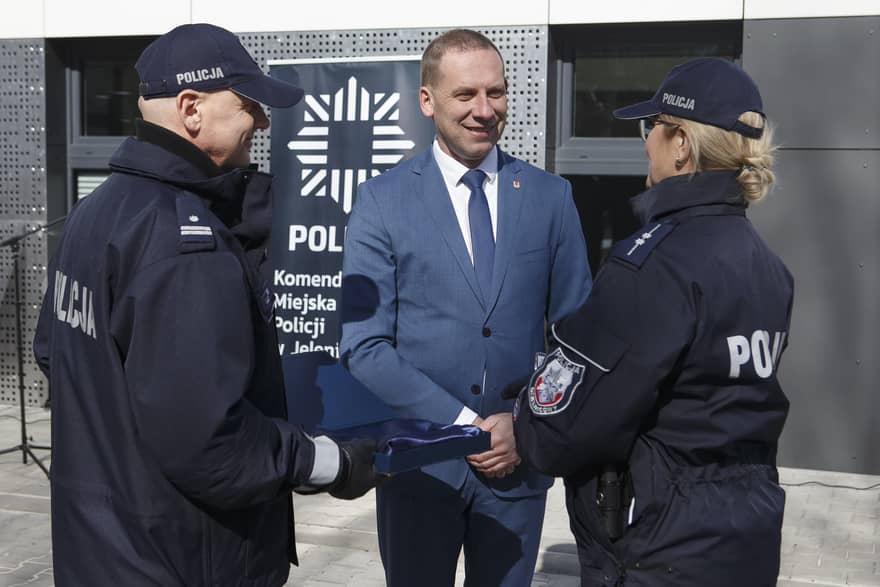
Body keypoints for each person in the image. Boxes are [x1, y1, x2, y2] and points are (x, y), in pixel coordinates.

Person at [32, 23, 380, 586]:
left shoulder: (95, 212)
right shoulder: (183, 243)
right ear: (191, 108)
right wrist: (333, 464)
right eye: (249, 105)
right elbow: (212, 444)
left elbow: (55, 353)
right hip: (182, 558)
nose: (261, 123)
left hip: (101, 549)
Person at [509, 57, 793, 586]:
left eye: (651, 127)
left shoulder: (654, 264)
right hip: (747, 535)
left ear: (681, 143)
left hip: (662, 547)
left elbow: (569, 428)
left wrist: (523, 417)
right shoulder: (767, 265)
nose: (645, 143)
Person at [340, 29, 592, 586]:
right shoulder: (382, 200)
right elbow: (364, 345)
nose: (484, 110)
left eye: (495, 93)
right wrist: (464, 427)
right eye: (465, 95)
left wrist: (526, 425)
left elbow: (577, 339)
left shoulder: (551, 197)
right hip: (420, 469)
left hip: (517, 467)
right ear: (427, 101)